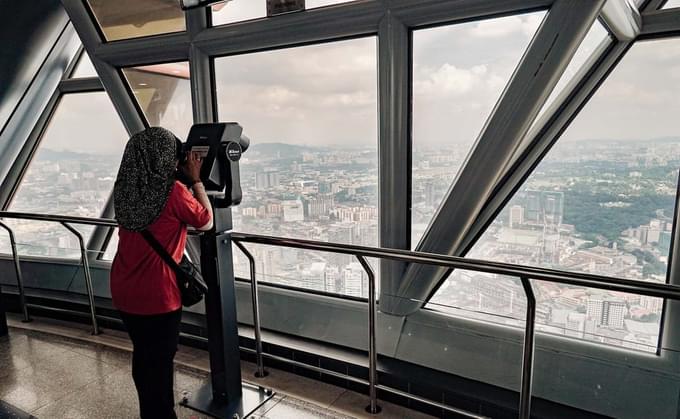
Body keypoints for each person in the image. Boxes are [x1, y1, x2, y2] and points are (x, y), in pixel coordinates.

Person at [110, 127, 213, 419]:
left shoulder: (126, 189)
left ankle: (150, 413)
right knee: (161, 361)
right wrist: (196, 180)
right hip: (158, 293)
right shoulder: (173, 192)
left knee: (144, 355)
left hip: (124, 288)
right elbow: (205, 221)